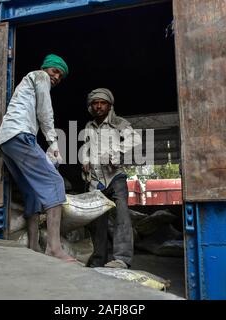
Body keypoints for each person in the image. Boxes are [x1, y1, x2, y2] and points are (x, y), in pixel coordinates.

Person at [0, 54, 74, 262]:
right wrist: (54, 143)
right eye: (55, 71)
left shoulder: (29, 82)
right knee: (54, 181)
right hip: (20, 135)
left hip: (6, 141)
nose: (57, 77)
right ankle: (54, 248)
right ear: (46, 68)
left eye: (61, 75)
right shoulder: (40, 76)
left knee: (32, 192)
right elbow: (45, 112)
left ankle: (32, 247)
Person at [81, 88, 142, 269]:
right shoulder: (89, 126)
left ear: (109, 105)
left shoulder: (119, 123)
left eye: (103, 103)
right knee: (97, 220)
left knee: (122, 215)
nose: (99, 106)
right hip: (96, 179)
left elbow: (136, 140)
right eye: (95, 103)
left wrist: (116, 152)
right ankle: (99, 259)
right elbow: (86, 147)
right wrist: (84, 160)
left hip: (115, 176)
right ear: (91, 106)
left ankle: (122, 259)